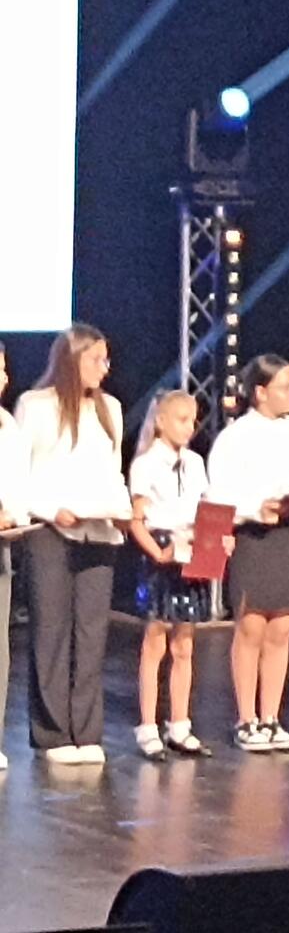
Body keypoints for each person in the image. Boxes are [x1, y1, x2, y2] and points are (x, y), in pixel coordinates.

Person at [17, 324, 130, 766]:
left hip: (99, 530)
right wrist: (51, 509)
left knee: (91, 633)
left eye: (106, 359)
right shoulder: (36, 406)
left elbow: (113, 471)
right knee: (51, 631)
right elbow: (20, 473)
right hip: (51, 530)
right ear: (72, 359)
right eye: (96, 359)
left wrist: (122, 510)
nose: (105, 367)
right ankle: (52, 734)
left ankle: (86, 731)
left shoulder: (110, 408)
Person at [207, 355, 289, 753]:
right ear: (260, 392)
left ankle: (271, 716)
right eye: (286, 386)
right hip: (255, 537)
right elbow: (220, 493)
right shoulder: (236, 437)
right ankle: (246, 719)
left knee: (281, 630)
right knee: (252, 629)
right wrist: (254, 508)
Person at [128, 391, 222, 761]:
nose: (189, 427)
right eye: (181, 419)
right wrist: (158, 553)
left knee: (185, 642)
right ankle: (148, 726)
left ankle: (179, 724)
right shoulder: (146, 464)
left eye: (192, 420)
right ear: (161, 421)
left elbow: (207, 510)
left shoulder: (195, 463)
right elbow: (136, 521)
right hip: (162, 549)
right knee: (156, 640)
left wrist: (218, 538)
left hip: (192, 548)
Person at [0, 339, 30, 772]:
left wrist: (11, 513)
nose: (3, 378)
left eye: (4, 369)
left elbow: (21, 487)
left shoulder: (8, 426)